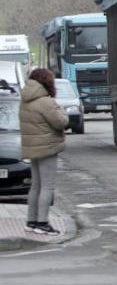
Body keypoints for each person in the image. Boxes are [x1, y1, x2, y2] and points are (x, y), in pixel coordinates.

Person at [19, 68, 69, 235]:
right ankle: (43, 223)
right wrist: (62, 111)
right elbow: (60, 122)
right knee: (47, 186)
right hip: (47, 147)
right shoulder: (45, 102)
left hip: (32, 147)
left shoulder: (25, 100)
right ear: (46, 82)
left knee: (35, 186)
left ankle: (31, 221)